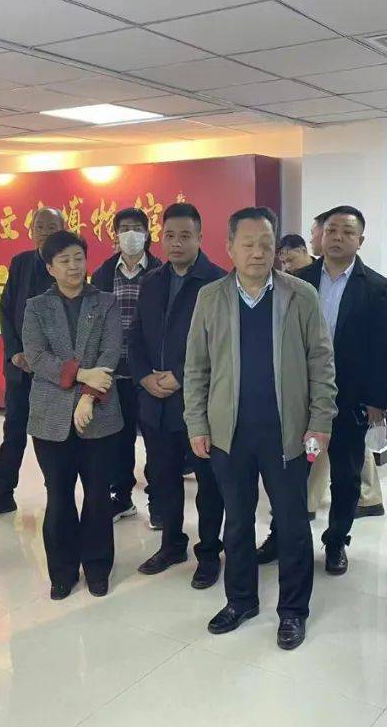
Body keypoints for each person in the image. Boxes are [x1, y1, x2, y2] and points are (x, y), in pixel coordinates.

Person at [184, 206, 337, 651]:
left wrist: (320, 422)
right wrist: (196, 422)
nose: (257, 252)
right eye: (248, 244)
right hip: (228, 434)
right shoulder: (211, 297)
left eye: (266, 244)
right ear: (229, 247)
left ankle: (293, 610)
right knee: (236, 522)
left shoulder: (300, 295)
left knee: (292, 524)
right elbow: (196, 367)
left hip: (288, 434)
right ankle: (241, 601)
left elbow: (321, 362)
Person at [257, 205, 387, 575]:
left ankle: (336, 542)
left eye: (347, 232)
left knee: (345, 477)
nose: (337, 238)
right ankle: (280, 535)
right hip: (300, 397)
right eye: (331, 230)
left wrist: (376, 400)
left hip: (349, 399)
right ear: (320, 236)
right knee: (292, 471)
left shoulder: (376, 287)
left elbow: (382, 346)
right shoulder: (296, 280)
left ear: (360, 240)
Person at [129, 203, 227, 588]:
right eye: (169, 235)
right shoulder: (152, 281)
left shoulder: (218, 283)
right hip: (155, 403)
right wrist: (143, 377)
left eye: (185, 236)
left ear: (200, 238)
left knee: (208, 485)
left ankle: (209, 553)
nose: (176, 243)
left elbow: (222, 346)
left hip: (199, 405)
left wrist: (181, 377)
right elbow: (136, 334)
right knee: (164, 479)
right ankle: (171, 545)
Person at [23, 230, 123, 599]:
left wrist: (87, 399)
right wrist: (82, 376)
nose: (73, 267)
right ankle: (62, 571)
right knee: (59, 496)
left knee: (97, 495)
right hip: (50, 418)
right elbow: (36, 357)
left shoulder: (106, 302)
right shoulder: (37, 307)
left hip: (100, 414)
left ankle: (97, 567)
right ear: (50, 267)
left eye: (78, 258)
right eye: (64, 261)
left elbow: (110, 354)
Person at [0, 207, 63, 520]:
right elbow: (7, 309)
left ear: (64, 230)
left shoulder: (68, 264)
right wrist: (14, 352)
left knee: (51, 438)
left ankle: (58, 499)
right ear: (31, 230)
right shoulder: (21, 262)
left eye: (52, 226)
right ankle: (1, 495)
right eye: (40, 226)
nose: (45, 232)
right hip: (19, 368)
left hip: (52, 373)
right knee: (13, 432)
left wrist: (42, 359)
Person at [90, 207, 162, 524]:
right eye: (124, 229)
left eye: (137, 228)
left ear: (147, 234)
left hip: (148, 371)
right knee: (118, 440)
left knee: (156, 439)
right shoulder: (103, 273)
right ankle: (121, 497)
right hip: (114, 370)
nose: (130, 234)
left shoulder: (160, 271)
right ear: (116, 235)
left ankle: (159, 502)